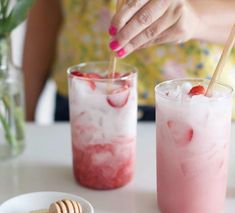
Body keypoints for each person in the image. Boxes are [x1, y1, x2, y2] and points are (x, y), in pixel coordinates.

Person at [23, 0, 235, 122]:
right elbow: (45, 16)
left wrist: (196, 20)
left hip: (196, 107)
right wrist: (24, 116)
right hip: (84, 100)